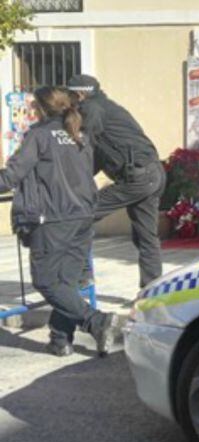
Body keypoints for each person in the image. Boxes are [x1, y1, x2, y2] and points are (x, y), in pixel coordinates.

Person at [0, 87, 117, 357]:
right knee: (66, 282)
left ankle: (97, 321)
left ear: (42, 108)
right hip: (83, 216)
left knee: (46, 282)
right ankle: (60, 339)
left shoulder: (39, 135)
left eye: (33, 106)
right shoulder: (80, 134)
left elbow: (12, 175)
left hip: (53, 219)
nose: (30, 111)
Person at [67, 74, 164, 288]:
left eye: (71, 96)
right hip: (151, 173)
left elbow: (83, 145)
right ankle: (153, 291)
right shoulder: (108, 108)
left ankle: (83, 276)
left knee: (79, 215)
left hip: (137, 177)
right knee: (146, 238)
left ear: (80, 94)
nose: (70, 102)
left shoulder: (91, 109)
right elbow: (100, 156)